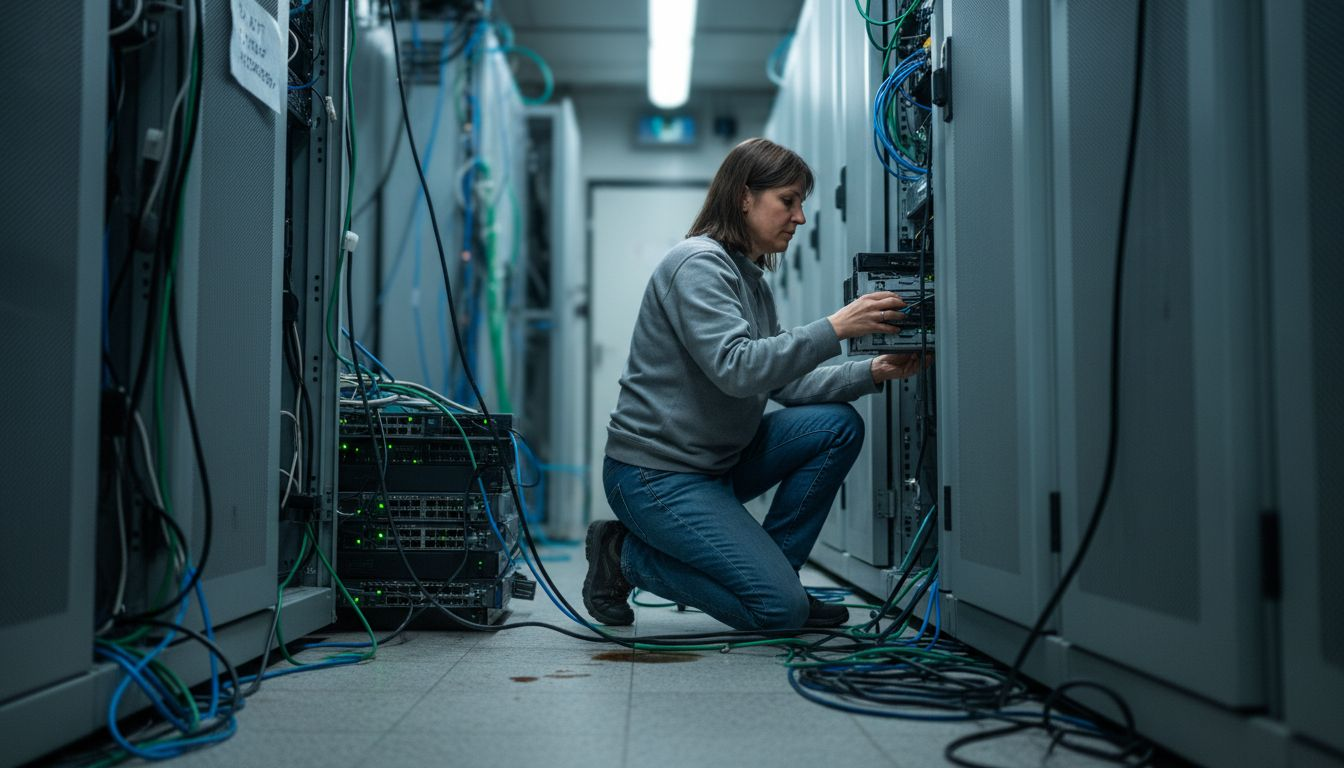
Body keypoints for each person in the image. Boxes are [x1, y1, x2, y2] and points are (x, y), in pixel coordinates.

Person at [582, 138, 926, 631]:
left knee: (835, 426)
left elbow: (783, 384)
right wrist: (837, 327)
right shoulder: (697, 263)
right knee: (779, 611)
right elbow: (738, 368)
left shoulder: (750, 282)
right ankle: (625, 557)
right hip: (655, 476)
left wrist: (872, 372)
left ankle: (775, 579)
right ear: (745, 197)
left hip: (714, 465)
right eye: (788, 201)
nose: (800, 218)